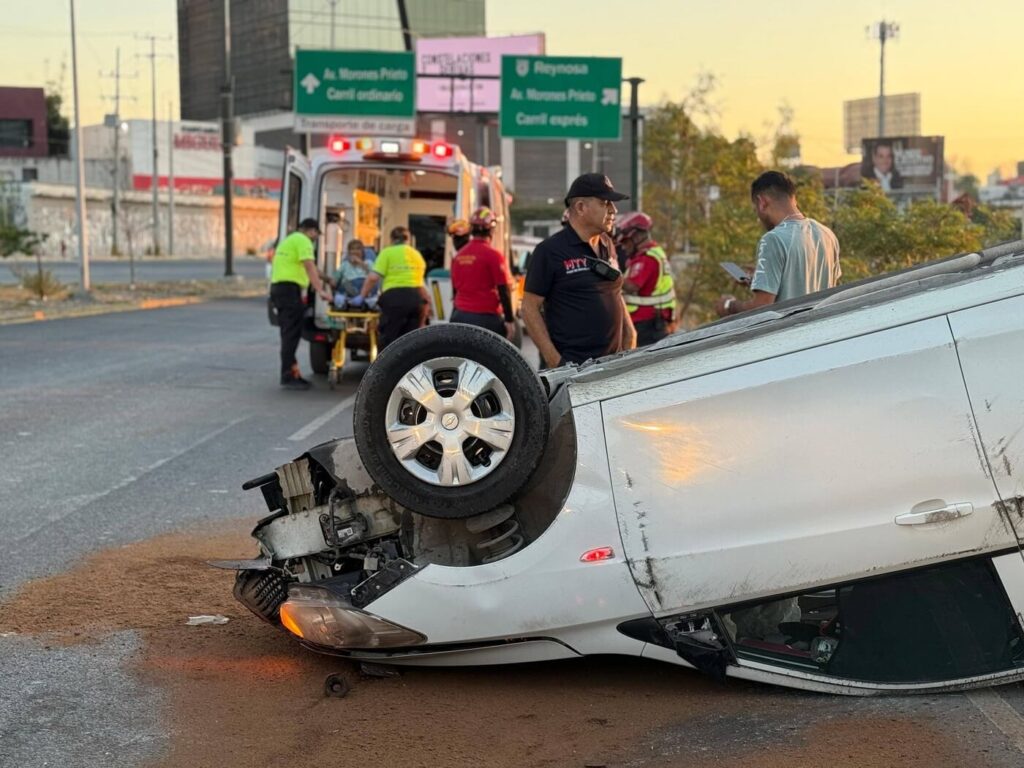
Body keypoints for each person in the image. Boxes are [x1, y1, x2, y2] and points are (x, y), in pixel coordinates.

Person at [522, 173, 636, 368]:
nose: (614, 210)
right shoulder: (549, 251)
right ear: (581, 207)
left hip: (612, 366)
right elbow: (529, 308)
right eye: (605, 203)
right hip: (574, 370)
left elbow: (615, 292)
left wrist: (630, 334)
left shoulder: (607, 244)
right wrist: (555, 361)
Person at [715, 171, 841, 318]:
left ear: (762, 202)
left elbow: (762, 307)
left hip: (787, 335)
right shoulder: (827, 234)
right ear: (793, 198)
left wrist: (729, 305)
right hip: (820, 333)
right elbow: (826, 290)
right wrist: (761, 279)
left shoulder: (772, 239)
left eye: (755, 209)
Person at [270, 218, 332, 390]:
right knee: (291, 334)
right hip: (289, 291)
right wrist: (321, 291)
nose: (315, 238)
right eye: (316, 234)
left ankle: (292, 372)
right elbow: (310, 267)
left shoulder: (290, 240)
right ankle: (288, 376)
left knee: (288, 333)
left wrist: (327, 279)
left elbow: (310, 267)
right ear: (311, 231)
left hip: (278, 289)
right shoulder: (304, 241)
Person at [355, 226, 429, 348]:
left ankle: (388, 367)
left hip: (395, 299)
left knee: (390, 341)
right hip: (418, 299)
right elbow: (421, 281)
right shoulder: (416, 255)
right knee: (413, 342)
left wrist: (361, 296)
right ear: (408, 239)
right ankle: (410, 366)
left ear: (392, 239)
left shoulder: (387, 253)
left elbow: (373, 278)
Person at [450, 207, 516, 340]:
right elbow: (504, 289)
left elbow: (455, 291)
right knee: (489, 360)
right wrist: (509, 320)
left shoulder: (458, 256)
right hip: (486, 319)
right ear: (491, 229)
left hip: (459, 316)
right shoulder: (494, 256)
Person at [616, 211, 677, 347]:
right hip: (653, 323)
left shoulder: (646, 259)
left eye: (626, 242)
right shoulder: (653, 253)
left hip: (647, 326)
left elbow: (632, 286)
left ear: (636, 237)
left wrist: (611, 275)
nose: (624, 247)